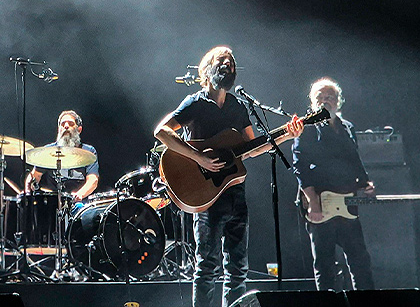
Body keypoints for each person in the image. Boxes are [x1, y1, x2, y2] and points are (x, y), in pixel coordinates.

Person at [154, 46, 303, 307]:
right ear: (207, 69)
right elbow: (162, 132)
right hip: (205, 196)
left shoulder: (238, 106)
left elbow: (254, 148)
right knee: (206, 267)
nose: (227, 64)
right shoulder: (195, 103)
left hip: (235, 193)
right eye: (221, 60)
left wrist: (286, 136)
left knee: (238, 269)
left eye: (231, 62)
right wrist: (199, 158)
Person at [292, 78, 375, 291]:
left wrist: (365, 183)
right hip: (320, 200)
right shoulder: (307, 127)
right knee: (325, 264)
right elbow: (300, 165)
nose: (325, 101)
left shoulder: (347, 127)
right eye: (320, 97)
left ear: (338, 101)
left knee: (360, 260)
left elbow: (354, 159)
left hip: (347, 201)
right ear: (312, 102)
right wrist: (313, 202)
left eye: (330, 97)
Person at [24, 110, 99, 202]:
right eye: (62, 124)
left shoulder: (88, 151)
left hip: (79, 203)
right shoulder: (48, 151)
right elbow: (36, 176)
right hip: (53, 203)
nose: (66, 126)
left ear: (79, 129)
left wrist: (80, 194)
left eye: (71, 123)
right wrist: (28, 192)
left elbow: (93, 180)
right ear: (59, 129)